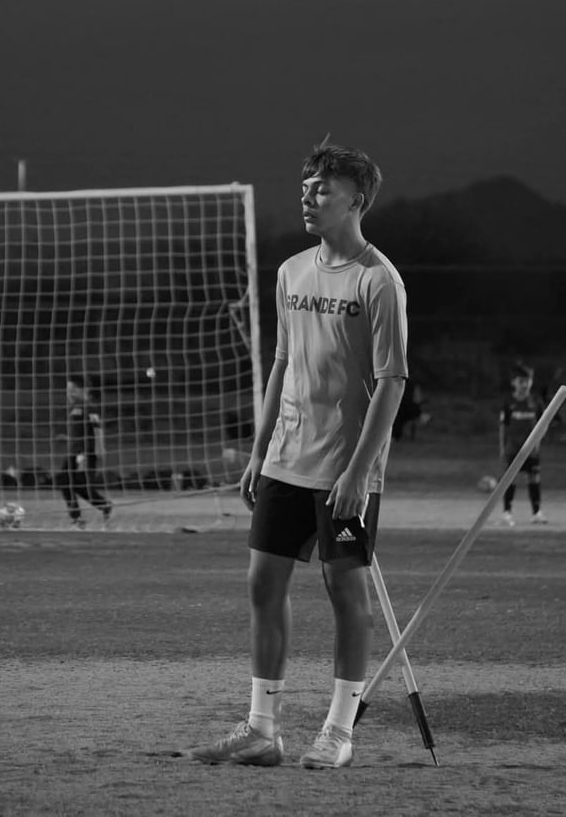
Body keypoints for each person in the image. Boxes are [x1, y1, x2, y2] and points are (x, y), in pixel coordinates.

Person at [182, 140, 408, 770]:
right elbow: (281, 363)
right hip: (285, 456)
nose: (308, 197)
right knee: (263, 583)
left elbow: (393, 381)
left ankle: (338, 732)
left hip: (345, 466)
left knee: (344, 589)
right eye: (305, 186)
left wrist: (361, 471)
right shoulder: (289, 272)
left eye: (322, 189)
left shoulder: (379, 281)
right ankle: (262, 730)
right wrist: (258, 450)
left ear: (355, 199)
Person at [57, 374, 113, 528]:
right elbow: (82, 433)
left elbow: (97, 429)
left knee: (75, 483)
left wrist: (100, 450)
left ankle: (97, 508)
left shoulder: (88, 407)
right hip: (75, 452)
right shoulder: (75, 408)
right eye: (68, 390)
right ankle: (88, 513)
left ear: (84, 390)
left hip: (84, 454)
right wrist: (68, 438)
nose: (69, 393)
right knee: (67, 482)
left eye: (73, 390)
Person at [499, 361, 547, 526]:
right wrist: (502, 448)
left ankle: (536, 513)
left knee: (534, 478)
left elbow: (544, 424)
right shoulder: (509, 403)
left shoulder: (536, 402)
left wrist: (537, 443)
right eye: (520, 381)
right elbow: (503, 427)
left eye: (527, 381)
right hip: (513, 448)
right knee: (509, 480)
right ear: (514, 383)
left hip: (531, 449)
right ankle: (507, 512)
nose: (524, 385)